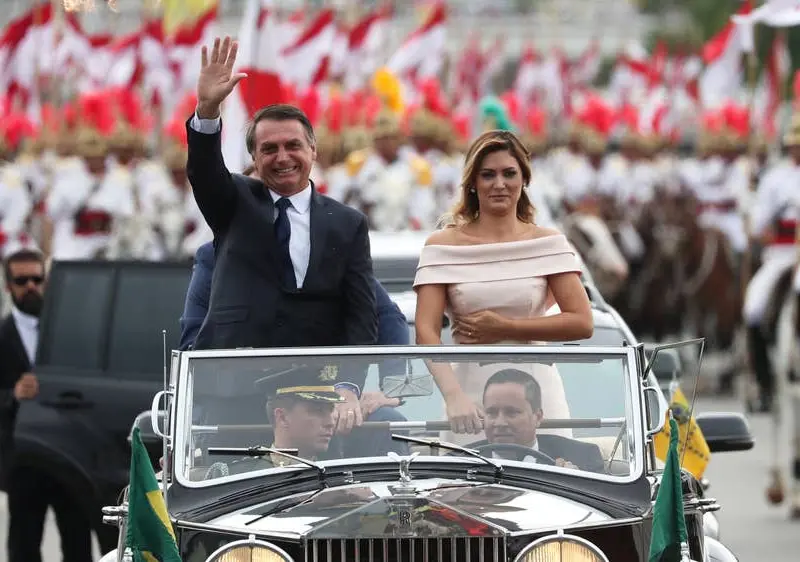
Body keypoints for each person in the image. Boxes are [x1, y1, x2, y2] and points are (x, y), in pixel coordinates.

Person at [186, 37, 377, 427]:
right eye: (269, 149)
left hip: (315, 400)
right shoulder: (235, 203)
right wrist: (207, 110)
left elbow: (361, 315)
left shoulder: (348, 223)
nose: (283, 157)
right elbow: (205, 172)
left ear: (313, 151)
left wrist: (348, 387)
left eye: (293, 145)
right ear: (253, 159)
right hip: (235, 393)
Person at [413, 130, 593, 442]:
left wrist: (506, 327)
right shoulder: (442, 245)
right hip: (470, 395)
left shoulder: (549, 243)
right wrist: (453, 396)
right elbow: (426, 332)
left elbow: (582, 321)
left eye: (509, 173)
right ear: (472, 182)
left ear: (524, 180)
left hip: (538, 393)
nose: (499, 184)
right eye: (488, 175)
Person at [178, 241, 409, 442]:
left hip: (319, 403)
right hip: (239, 408)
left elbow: (388, 317)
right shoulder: (215, 256)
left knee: (387, 422)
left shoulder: (330, 252)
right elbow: (192, 341)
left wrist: (389, 389)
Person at [0, 247, 93, 562]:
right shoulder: (2, 337)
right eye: (21, 280)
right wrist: (12, 393)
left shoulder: (71, 331)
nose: (30, 287)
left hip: (70, 457)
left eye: (37, 279)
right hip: (23, 459)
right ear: (7, 286)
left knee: (77, 542)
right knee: (23, 545)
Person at [478, 369, 604, 472]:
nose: (500, 423)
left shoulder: (582, 458)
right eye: (491, 413)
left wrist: (573, 483)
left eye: (512, 413)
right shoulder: (462, 461)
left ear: (537, 417)